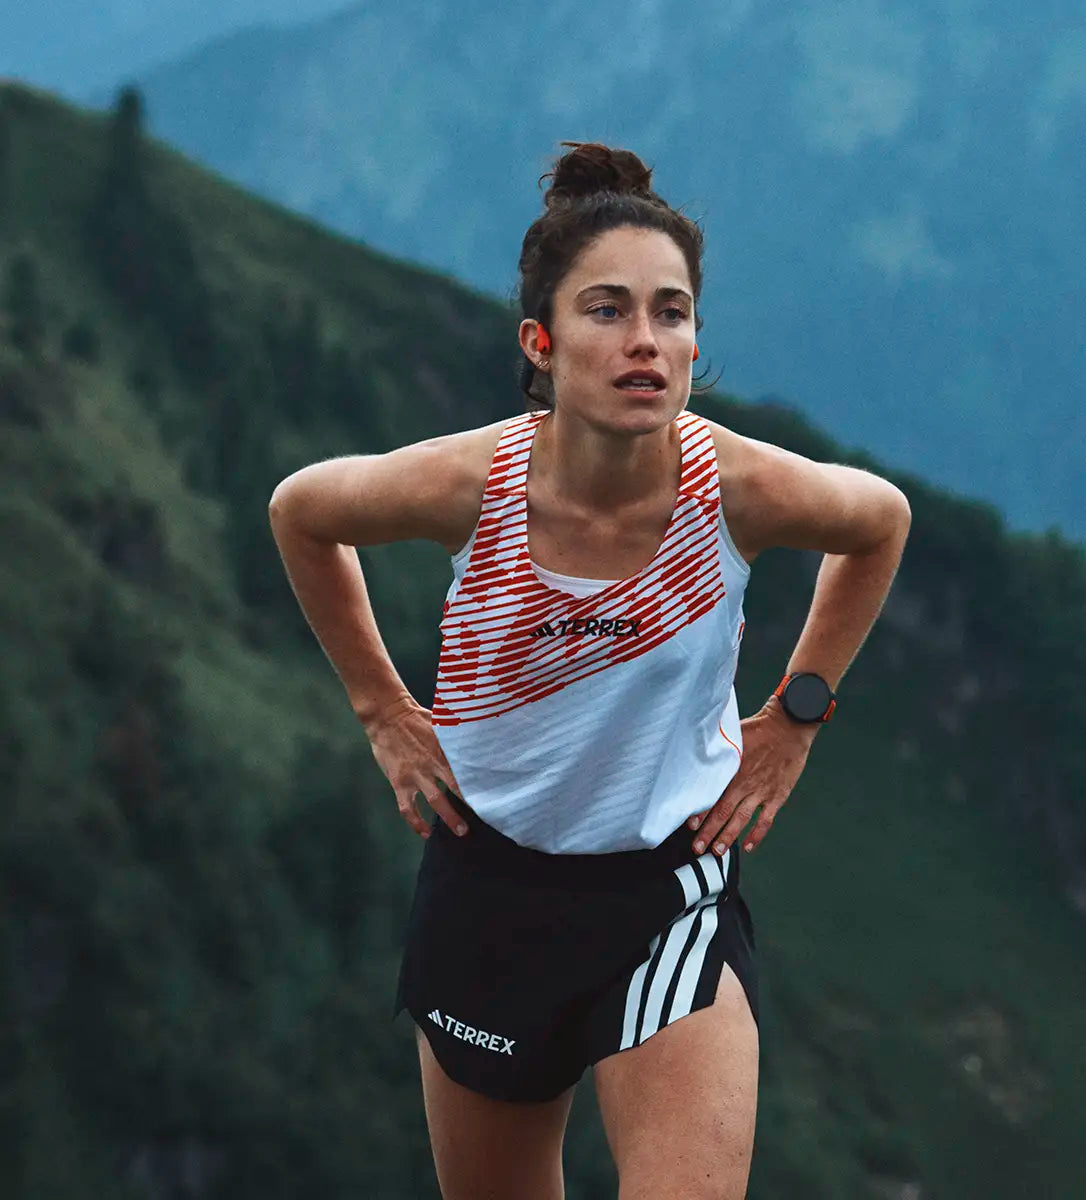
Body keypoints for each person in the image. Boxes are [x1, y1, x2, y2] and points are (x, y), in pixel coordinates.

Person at [268, 142, 911, 1200]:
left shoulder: (735, 489)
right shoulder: (473, 485)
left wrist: (797, 716)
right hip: (488, 885)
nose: (646, 341)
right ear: (542, 341)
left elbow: (879, 525)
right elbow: (302, 511)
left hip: (666, 890)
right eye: (608, 310)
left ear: (698, 341)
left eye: (672, 312)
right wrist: (381, 706)